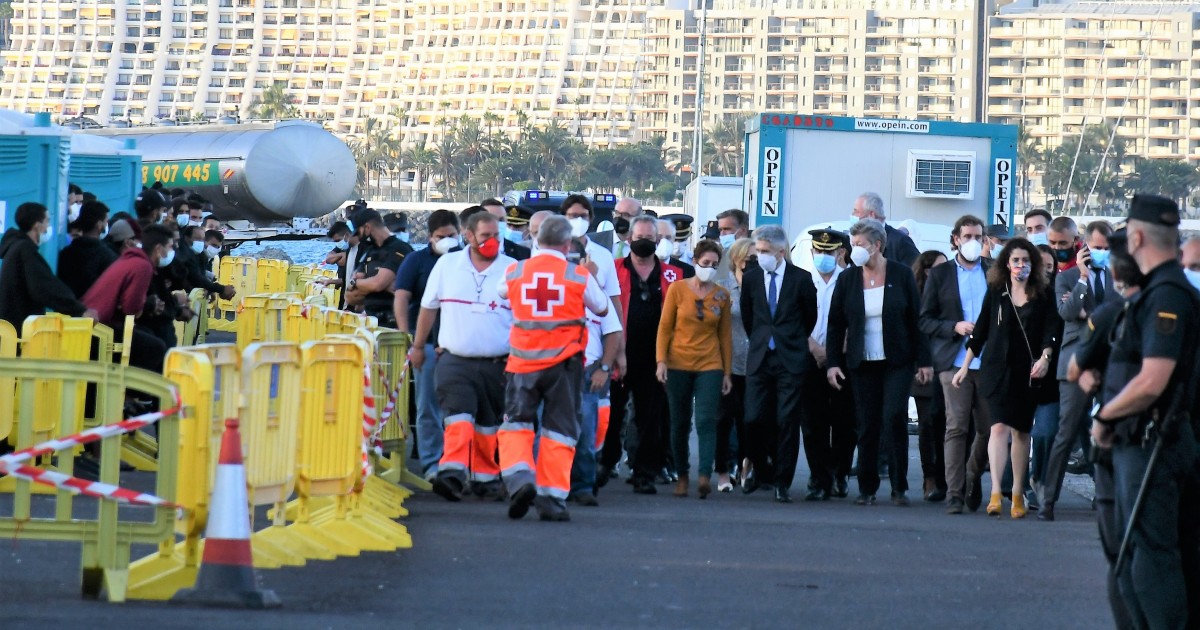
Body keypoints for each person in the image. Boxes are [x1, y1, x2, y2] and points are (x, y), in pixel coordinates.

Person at [1090, 195, 1198, 628]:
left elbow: (1153, 380)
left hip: (1154, 442)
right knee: (1137, 558)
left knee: (1152, 560)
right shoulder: (1159, 291)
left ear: (1135, 238)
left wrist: (1105, 417)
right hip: (1145, 441)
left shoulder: (1166, 294)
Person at [497, 214, 610, 522]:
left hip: (522, 363)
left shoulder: (515, 271)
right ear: (567, 243)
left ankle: (520, 478)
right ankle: (552, 499)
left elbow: (501, 292)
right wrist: (590, 275)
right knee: (559, 431)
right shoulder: (578, 275)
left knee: (516, 425)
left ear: (536, 239)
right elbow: (602, 307)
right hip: (564, 365)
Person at [410, 210, 514, 502]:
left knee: (488, 424)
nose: (492, 241)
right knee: (459, 417)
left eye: (496, 235)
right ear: (468, 236)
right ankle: (452, 473)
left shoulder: (512, 268)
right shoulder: (447, 265)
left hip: (497, 363)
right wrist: (418, 346)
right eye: (485, 236)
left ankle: (485, 478)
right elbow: (428, 308)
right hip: (454, 360)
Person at [952, 238, 1058, 519]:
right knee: (998, 428)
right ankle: (996, 492)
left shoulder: (1043, 293)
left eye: (1025, 260)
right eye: (1016, 260)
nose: (1021, 265)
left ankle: (1018, 492)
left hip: (1028, 372)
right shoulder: (997, 291)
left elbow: (1051, 330)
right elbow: (981, 331)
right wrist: (965, 366)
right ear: (1007, 264)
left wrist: (1045, 358)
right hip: (996, 370)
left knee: (1021, 432)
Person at [828, 219, 931, 506]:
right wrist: (833, 363)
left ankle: (899, 487)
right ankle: (867, 487)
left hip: (897, 361)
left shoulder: (901, 274)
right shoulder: (848, 279)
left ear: (877, 245)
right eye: (852, 244)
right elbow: (836, 324)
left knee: (894, 418)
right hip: (862, 362)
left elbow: (916, 320)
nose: (855, 250)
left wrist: (924, 361)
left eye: (860, 244)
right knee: (867, 423)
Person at [1066, 228, 1140, 629]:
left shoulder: (1124, 308)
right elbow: (1077, 367)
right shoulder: (1114, 310)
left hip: (1130, 437)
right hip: (1123, 439)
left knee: (1130, 549)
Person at [1041, 219, 1114, 521]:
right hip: (1076, 361)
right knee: (1066, 432)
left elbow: (1121, 313)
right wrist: (1083, 277)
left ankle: (1106, 495)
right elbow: (1067, 312)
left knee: (1110, 431)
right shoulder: (1068, 277)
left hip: (1110, 361)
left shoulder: (1118, 278)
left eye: (1106, 248)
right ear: (1084, 245)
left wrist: (1088, 314)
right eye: (1096, 247)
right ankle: (1048, 500)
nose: (1100, 252)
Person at [919, 214, 992, 513]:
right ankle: (954, 493)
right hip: (954, 362)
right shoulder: (941, 275)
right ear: (956, 240)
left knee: (987, 429)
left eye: (978, 237)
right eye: (967, 236)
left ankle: (972, 476)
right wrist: (954, 326)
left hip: (988, 362)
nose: (973, 242)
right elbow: (925, 319)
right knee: (956, 427)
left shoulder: (994, 271)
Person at [741, 224, 818, 503]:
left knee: (787, 421)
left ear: (781, 252)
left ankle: (782, 482)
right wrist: (763, 340)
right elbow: (750, 317)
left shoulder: (801, 279)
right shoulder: (751, 278)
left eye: (765, 251)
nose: (761, 255)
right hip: (760, 357)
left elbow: (809, 317)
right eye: (758, 250)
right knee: (753, 417)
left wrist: (790, 341)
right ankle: (762, 470)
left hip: (790, 358)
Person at [613, 215, 685, 494]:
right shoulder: (614, 269)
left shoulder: (673, 274)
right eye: (639, 237)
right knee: (613, 415)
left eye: (649, 238)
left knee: (649, 418)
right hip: (619, 353)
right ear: (629, 238)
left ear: (657, 241)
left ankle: (644, 473)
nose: (644, 242)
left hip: (656, 358)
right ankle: (604, 465)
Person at [656, 240, 733, 499]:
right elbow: (665, 327)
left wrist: (727, 372)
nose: (709, 268)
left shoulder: (722, 295)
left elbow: (725, 336)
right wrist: (661, 361)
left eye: (714, 264)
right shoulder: (677, 289)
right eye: (705, 262)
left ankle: (704, 476)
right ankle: (682, 475)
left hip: (710, 364)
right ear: (695, 261)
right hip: (678, 362)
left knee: (706, 420)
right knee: (679, 422)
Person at [393, 210, 460, 482]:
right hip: (428, 343)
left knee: (459, 409)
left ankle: (458, 462)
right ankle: (432, 463)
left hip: (460, 346)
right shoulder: (416, 261)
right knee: (427, 406)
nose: (448, 241)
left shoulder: (466, 260)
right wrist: (406, 336)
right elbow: (401, 297)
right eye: (441, 237)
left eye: (452, 235)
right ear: (431, 237)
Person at [800, 228, 857, 500]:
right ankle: (818, 477)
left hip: (842, 358)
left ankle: (840, 472)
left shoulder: (850, 280)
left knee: (845, 421)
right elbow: (795, 319)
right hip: (810, 357)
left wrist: (834, 351)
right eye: (818, 250)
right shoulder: (803, 279)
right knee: (813, 422)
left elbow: (857, 321)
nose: (822, 255)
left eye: (829, 251)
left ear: (840, 252)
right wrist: (815, 348)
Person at [82, 223, 172, 374]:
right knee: (156, 348)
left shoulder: (131, 259)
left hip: (94, 323)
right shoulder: (143, 266)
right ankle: (136, 388)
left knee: (148, 335)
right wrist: (146, 305)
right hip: (101, 328)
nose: (171, 252)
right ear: (158, 249)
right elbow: (131, 308)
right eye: (170, 247)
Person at [0, 202, 96, 329]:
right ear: (37, 225)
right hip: (21, 327)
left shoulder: (15, 246)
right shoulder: (26, 250)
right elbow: (44, 286)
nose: (48, 227)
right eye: (47, 221)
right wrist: (79, 310)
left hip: (10, 326)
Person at [714, 237, 753, 493]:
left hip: (755, 364)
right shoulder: (722, 288)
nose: (754, 263)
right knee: (723, 420)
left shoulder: (761, 286)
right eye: (750, 259)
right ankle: (723, 471)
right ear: (737, 260)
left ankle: (746, 466)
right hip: (727, 363)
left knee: (749, 420)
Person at [912, 249, 949, 502]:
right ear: (927, 271)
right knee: (927, 424)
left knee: (948, 424)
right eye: (939, 267)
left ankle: (948, 477)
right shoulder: (917, 294)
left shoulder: (948, 294)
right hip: (923, 367)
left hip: (947, 365)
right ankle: (930, 477)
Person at [561, 195, 623, 316]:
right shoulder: (555, 253)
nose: (579, 220)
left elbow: (613, 298)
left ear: (590, 219)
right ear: (564, 218)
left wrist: (619, 327)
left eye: (583, 216)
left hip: (595, 322)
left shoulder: (604, 255)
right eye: (573, 216)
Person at [344, 208, 407, 326]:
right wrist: (363, 284)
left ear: (367, 228)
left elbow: (378, 284)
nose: (359, 238)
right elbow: (350, 296)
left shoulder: (399, 248)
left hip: (392, 323)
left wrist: (359, 284)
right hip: (370, 321)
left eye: (359, 233)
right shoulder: (369, 252)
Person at [58, 201, 117, 298]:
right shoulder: (107, 256)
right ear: (99, 225)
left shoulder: (65, 253)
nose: (106, 225)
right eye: (106, 221)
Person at [850, 192, 918, 267]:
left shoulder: (900, 241)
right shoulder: (854, 241)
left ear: (871, 215)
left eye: (856, 211)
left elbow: (917, 269)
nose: (852, 215)